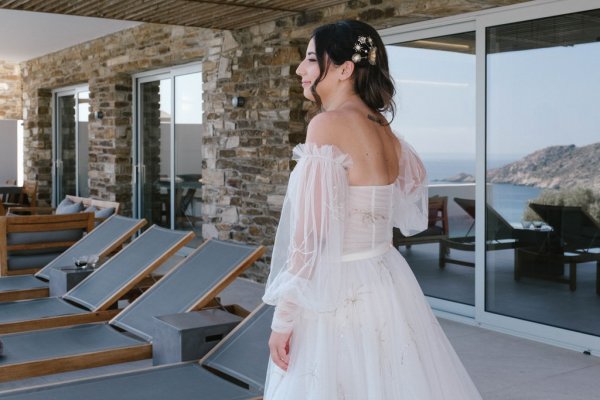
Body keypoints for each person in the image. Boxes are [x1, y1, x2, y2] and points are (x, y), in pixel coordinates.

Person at [262, 19, 482, 399]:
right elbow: (407, 202)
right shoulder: (385, 129)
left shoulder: (326, 125)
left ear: (345, 69)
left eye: (312, 59)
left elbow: (310, 238)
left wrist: (283, 320)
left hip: (338, 286)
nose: (300, 69)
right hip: (385, 278)